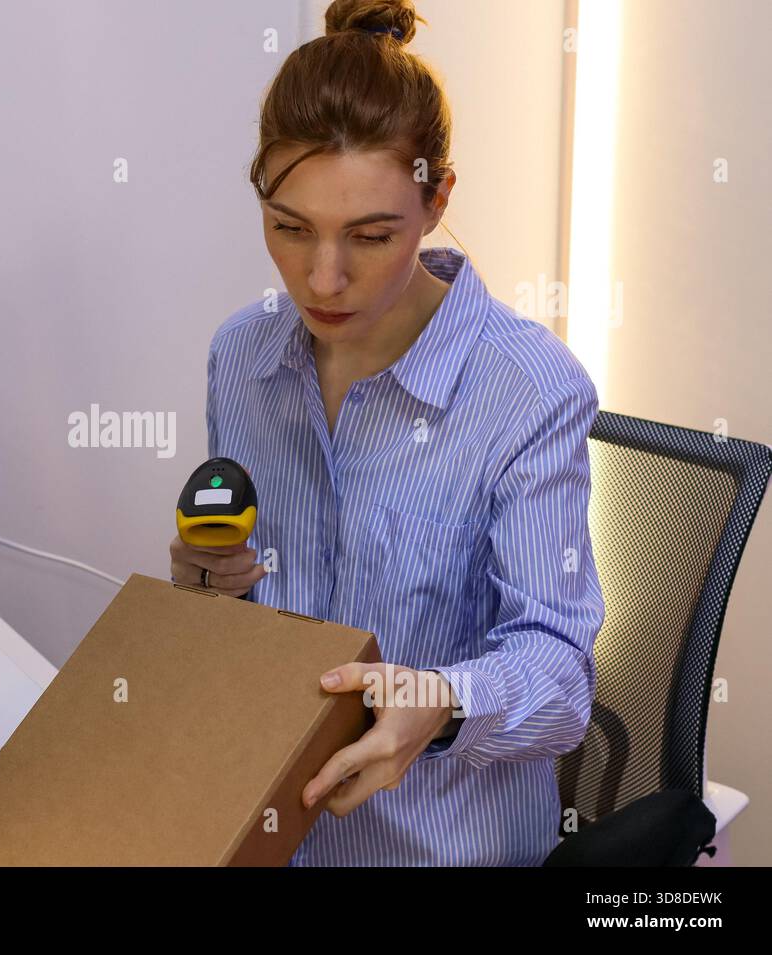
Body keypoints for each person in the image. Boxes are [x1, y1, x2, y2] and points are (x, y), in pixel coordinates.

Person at [168, 0, 605, 866]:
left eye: (371, 236)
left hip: (436, 846)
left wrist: (439, 706)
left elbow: (561, 681)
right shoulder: (242, 355)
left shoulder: (528, 391)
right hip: (269, 827)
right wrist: (210, 592)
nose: (321, 278)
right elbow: (248, 627)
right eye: (290, 229)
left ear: (438, 197)